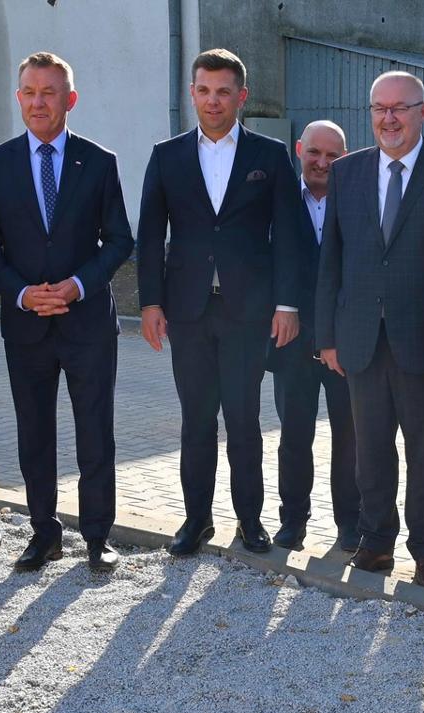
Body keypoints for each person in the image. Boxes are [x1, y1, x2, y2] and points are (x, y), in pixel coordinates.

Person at [315, 70, 424, 592]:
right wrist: (326, 336)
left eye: (400, 108)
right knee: (370, 447)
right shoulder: (347, 173)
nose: (388, 118)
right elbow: (332, 261)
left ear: (423, 112)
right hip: (360, 339)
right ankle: (375, 543)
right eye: (379, 109)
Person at [136, 48, 308, 558]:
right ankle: (196, 520)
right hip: (187, 311)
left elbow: (292, 235)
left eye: (224, 91)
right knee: (196, 420)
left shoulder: (269, 156)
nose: (213, 101)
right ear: (192, 93)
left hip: (248, 311)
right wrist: (150, 304)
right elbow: (149, 237)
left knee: (243, 420)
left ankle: (249, 522)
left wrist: (288, 304)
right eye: (204, 90)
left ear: (241, 96)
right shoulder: (167, 156)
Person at [0, 51, 133, 573]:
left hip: (86, 323)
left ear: (70, 99)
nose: (39, 102)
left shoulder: (99, 161)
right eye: (30, 92)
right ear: (19, 98)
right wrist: (20, 293)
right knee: (34, 432)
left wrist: (79, 284)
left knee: (95, 431)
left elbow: (119, 240)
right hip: (26, 324)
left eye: (50, 92)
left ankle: (97, 537)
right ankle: (44, 533)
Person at [268, 120, 359, 553]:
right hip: (292, 342)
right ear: (299, 149)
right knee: (294, 436)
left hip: (344, 346)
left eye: (333, 155)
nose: (322, 162)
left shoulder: (358, 201)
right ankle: (292, 522)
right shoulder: (278, 199)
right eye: (315, 153)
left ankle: (350, 526)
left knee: (350, 437)